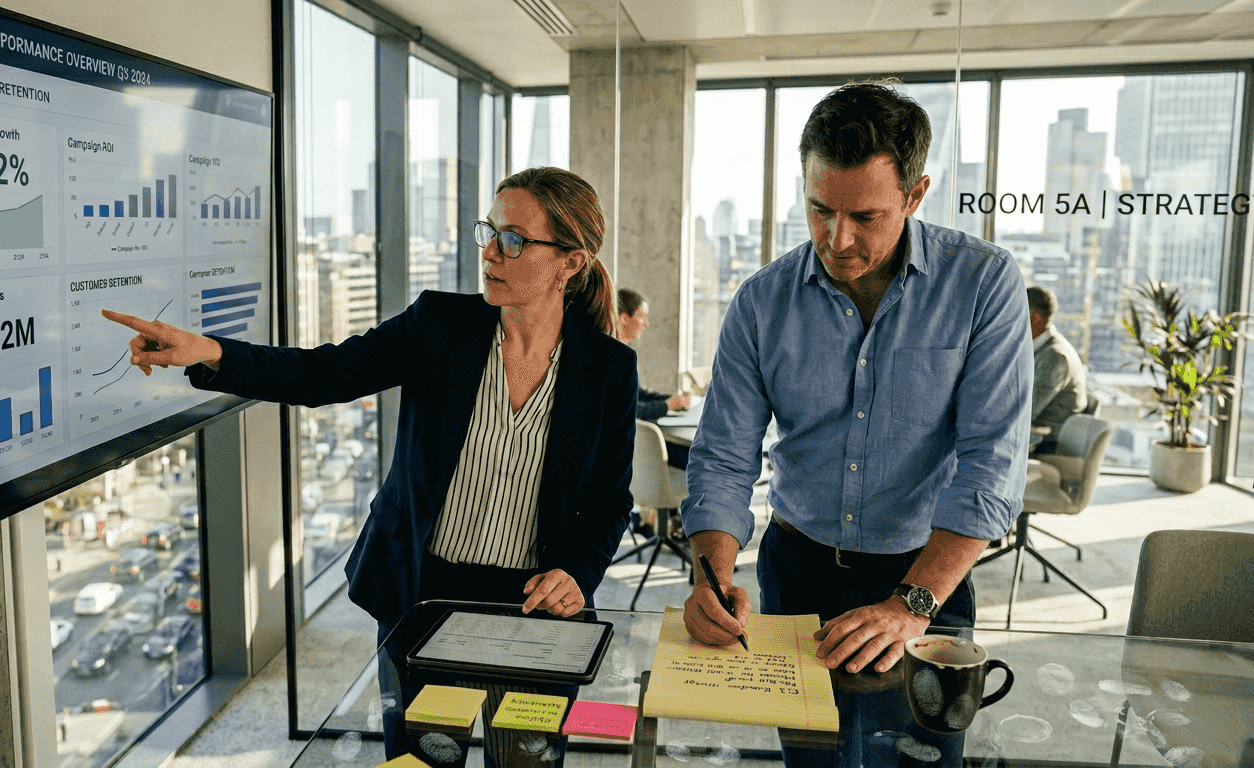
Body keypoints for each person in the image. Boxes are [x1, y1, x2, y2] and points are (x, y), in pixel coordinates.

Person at [103, 166, 638, 766]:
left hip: (537, 606)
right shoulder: (440, 325)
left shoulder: (608, 369)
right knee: (425, 760)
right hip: (425, 592)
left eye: (513, 238)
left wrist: (579, 573)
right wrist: (213, 354)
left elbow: (610, 499)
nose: (489, 250)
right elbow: (325, 373)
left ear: (569, 261)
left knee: (528, 763)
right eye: (488, 230)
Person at [678, 81, 1031, 764]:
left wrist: (912, 604)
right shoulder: (760, 301)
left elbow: (993, 460)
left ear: (915, 194)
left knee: (921, 759)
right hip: (798, 572)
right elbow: (723, 456)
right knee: (812, 757)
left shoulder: (983, 283)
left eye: (865, 216)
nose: (837, 240)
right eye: (819, 210)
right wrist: (710, 576)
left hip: (927, 572)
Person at [1028, 285, 1087, 454]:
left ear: (1034, 317)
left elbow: (1027, 410)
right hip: (1036, 434)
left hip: (1048, 443)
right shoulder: (1042, 348)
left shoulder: (1055, 356)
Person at [617, 288, 691, 420]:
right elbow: (626, 409)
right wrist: (666, 406)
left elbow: (638, 394)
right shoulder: (617, 358)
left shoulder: (625, 354)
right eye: (641, 316)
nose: (646, 323)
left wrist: (671, 400)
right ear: (623, 319)